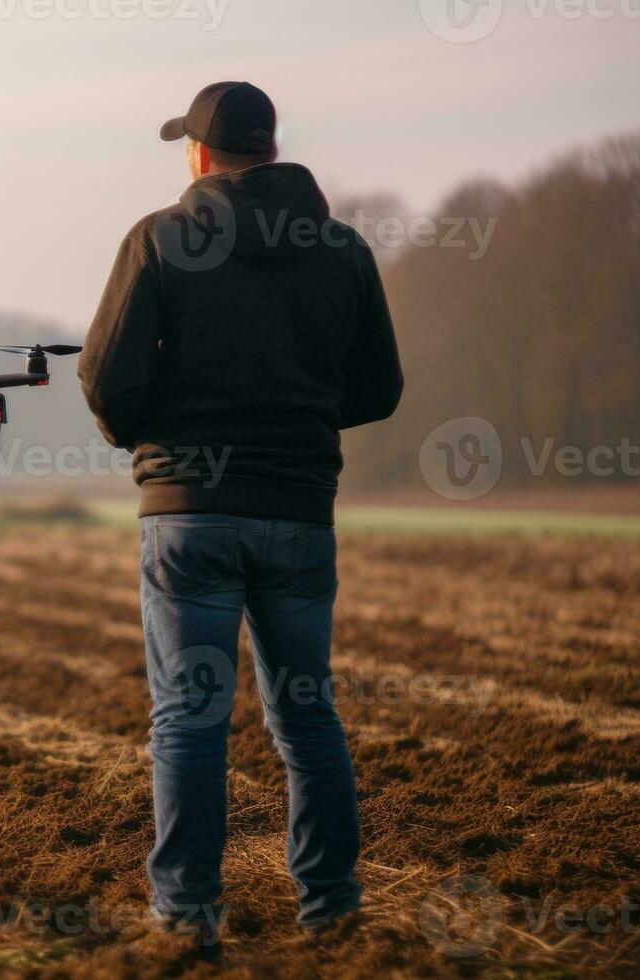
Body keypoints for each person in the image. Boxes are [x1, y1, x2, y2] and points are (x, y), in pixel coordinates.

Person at [77, 81, 404, 947]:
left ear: (198, 154)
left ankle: (187, 916)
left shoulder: (158, 239)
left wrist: (151, 445)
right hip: (299, 513)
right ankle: (331, 906)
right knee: (307, 715)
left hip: (187, 516)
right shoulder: (340, 250)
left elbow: (105, 377)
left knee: (188, 719)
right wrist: (293, 425)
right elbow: (379, 388)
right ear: (270, 147)